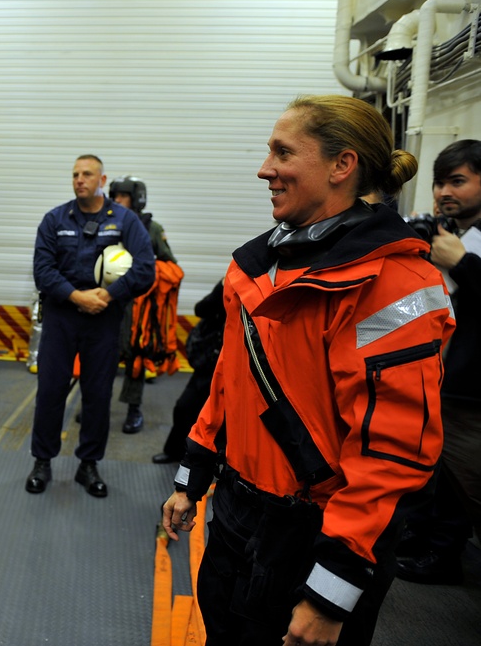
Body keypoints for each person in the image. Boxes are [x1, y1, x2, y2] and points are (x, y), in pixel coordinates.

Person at [162, 95, 454, 646]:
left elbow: (392, 453)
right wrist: (191, 479)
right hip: (234, 514)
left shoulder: (394, 285)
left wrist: (330, 593)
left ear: (342, 166)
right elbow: (229, 382)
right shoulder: (257, 268)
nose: (264, 168)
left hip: (314, 536)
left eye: (282, 152)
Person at [26, 156, 154, 497]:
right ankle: (42, 461)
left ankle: (89, 465)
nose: (80, 180)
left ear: (102, 179)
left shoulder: (125, 221)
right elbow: (43, 270)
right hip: (62, 318)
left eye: (87, 174)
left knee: (97, 395)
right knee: (51, 391)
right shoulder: (55, 219)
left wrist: (109, 295)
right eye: (75, 175)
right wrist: (77, 297)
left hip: (104, 320)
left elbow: (145, 269)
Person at [395, 139, 481, 585]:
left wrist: (463, 264)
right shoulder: (447, 232)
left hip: (472, 388)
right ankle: (432, 543)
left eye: (459, 181)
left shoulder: (464, 246)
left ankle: (443, 552)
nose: (445, 191)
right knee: (437, 471)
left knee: (467, 481)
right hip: (440, 376)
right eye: (439, 183)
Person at [109, 175, 176, 433]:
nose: (116, 201)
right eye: (114, 196)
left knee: (136, 358)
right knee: (102, 357)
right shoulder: (106, 224)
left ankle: (133, 409)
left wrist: (144, 272)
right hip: (111, 302)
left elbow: (170, 265)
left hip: (139, 308)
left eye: (122, 196)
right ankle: (95, 403)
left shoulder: (153, 229)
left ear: (136, 198)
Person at [151, 278, 225, 464]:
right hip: (211, 363)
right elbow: (201, 309)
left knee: (226, 419)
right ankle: (174, 451)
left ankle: (218, 462)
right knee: (185, 407)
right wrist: (223, 288)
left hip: (240, 365)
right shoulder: (230, 285)